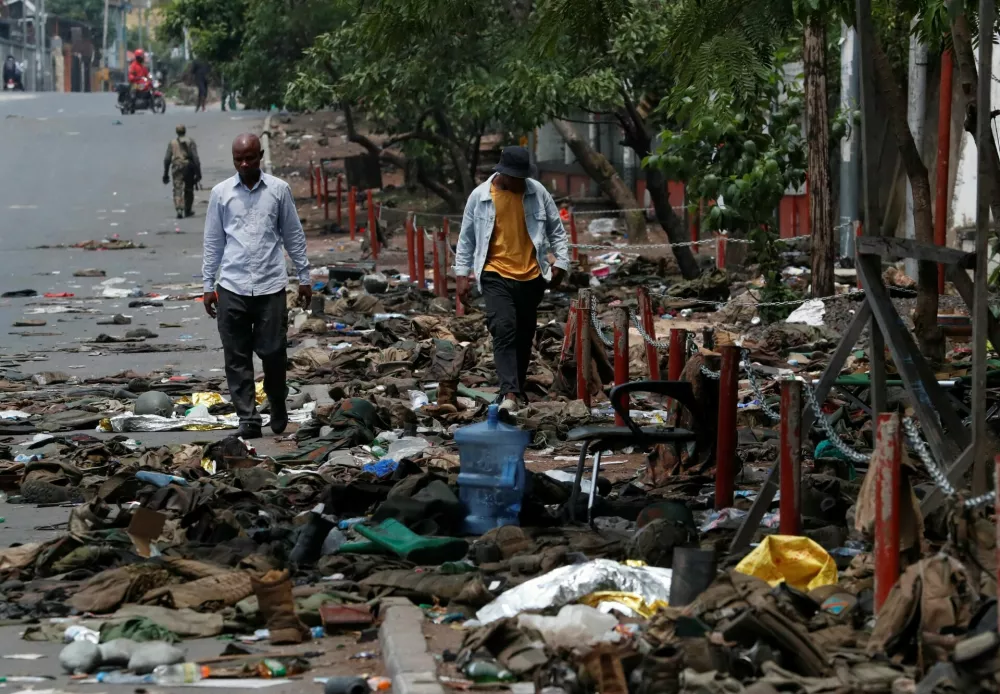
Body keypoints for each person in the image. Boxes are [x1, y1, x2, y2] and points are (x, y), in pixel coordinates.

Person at [202, 133, 311, 439]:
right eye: (239, 159)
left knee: (274, 353)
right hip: (232, 286)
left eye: (250, 158)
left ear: (260, 156)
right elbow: (213, 242)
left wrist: (304, 277)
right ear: (233, 160)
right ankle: (247, 418)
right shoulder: (221, 194)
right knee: (236, 357)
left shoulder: (278, 190)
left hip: (270, 287)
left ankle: (277, 402)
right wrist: (208, 284)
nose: (245, 164)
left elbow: (293, 234)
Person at [454, 145, 569, 413]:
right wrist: (462, 275)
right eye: (514, 177)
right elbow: (466, 238)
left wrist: (561, 264)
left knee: (524, 333)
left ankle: (513, 389)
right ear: (502, 173)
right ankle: (510, 392)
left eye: (522, 177)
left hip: (532, 276)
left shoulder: (537, 192)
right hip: (494, 273)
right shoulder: (480, 196)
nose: (519, 182)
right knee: (503, 328)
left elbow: (557, 230)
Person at [162, 124, 201, 219]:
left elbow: (167, 159)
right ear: (185, 131)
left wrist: (165, 173)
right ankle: (187, 210)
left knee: (177, 188)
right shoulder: (190, 141)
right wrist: (198, 172)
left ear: (176, 132)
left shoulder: (172, 143)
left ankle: (179, 208)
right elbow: (195, 158)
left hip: (177, 166)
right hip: (188, 167)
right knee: (189, 188)